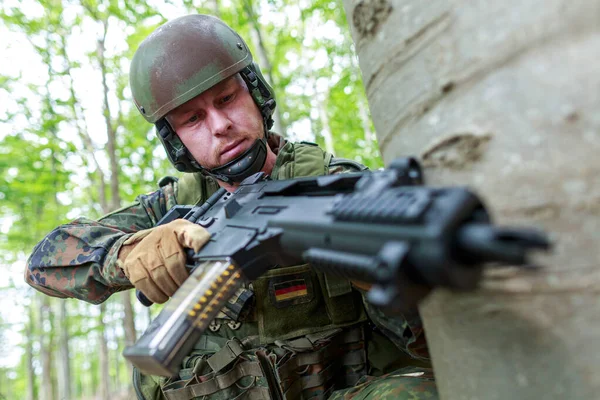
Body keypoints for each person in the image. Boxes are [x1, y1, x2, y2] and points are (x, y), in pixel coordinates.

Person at [25, 14, 437, 400]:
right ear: (176, 142)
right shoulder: (177, 205)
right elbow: (44, 262)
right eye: (193, 120)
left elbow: (425, 340)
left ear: (255, 94)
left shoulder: (337, 185)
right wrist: (127, 253)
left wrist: (379, 273)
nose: (219, 124)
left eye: (226, 98)